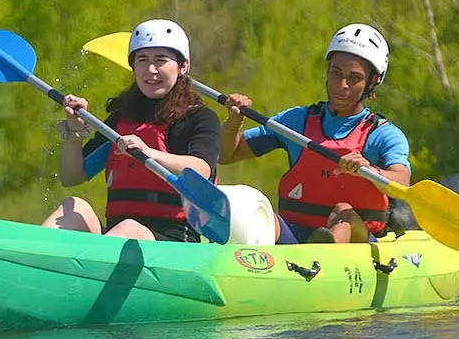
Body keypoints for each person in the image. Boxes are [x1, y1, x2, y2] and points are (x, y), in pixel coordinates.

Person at [223, 23, 411, 244]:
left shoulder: (383, 134)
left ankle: (326, 249)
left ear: (373, 81)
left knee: (344, 213)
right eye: (336, 73)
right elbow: (227, 155)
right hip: (296, 234)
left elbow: (402, 182)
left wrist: (369, 170)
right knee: (258, 215)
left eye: (354, 78)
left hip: (358, 244)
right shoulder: (295, 122)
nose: (342, 85)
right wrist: (234, 122)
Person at [43, 19, 222, 242]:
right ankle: (26, 264)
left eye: (161, 60)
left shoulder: (200, 118)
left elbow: (202, 170)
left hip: (174, 241)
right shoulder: (121, 118)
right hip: (116, 235)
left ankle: (89, 271)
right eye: (142, 60)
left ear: (182, 66)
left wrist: (149, 152)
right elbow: (71, 177)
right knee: (73, 206)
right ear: (133, 66)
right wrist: (74, 133)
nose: (151, 70)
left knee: (129, 228)